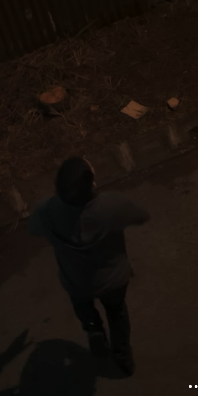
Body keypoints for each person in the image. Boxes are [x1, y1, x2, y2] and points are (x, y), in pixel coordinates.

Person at [27, 157, 150, 373]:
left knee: (82, 305)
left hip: (75, 279)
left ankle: (94, 330)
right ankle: (123, 357)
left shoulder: (46, 210)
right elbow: (141, 215)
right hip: (113, 280)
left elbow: (34, 229)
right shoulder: (112, 205)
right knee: (117, 313)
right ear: (92, 183)